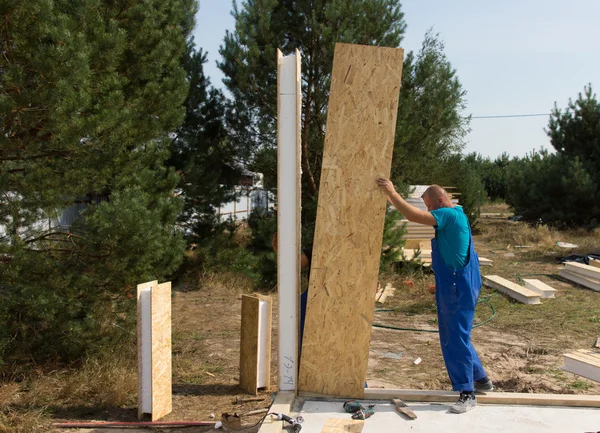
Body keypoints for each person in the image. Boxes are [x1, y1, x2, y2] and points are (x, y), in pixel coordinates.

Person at [375, 178, 493, 414]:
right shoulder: (459, 212)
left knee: (454, 339)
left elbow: (414, 217)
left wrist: (392, 193)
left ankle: (467, 392)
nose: (429, 211)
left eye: (429, 206)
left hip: (457, 285)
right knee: (457, 335)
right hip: (458, 283)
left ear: (440, 200)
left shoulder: (448, 214)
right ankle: (481, 379)